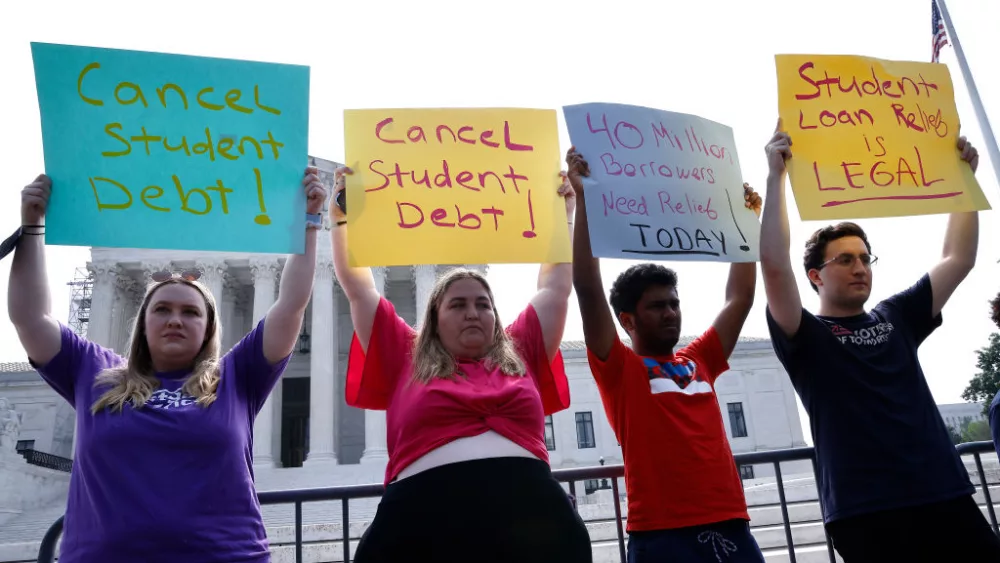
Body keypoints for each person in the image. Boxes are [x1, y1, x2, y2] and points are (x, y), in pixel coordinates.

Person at [9, 168, 327, 562]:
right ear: (142, 322)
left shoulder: (234, 377)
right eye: (162, 308)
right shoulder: (95, 372)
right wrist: (32, 227)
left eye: (191, 312)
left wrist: (311, 224)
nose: (175, 319)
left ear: (209, 327)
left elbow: (290, 306)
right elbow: (30, 318)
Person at [759, 120, 1000, 561]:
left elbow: (958, 258)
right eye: (845, 259)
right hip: (866, 511)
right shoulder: (804, 334)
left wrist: (964, 178)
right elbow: (774, 267)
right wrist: (776, 176)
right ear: (815, 276)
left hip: (943, 493)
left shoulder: (897, 315)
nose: (860, 267)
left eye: (866, 258)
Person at [331, 166, 592, 563]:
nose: (473, 313)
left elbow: (556, 287)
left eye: (482, 304)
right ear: (435, 317)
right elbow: (359, 288)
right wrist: (342, 219)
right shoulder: (407, 353)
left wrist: (565, 214)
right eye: (458, 304)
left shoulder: (520, 348)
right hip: (423, 528)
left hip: (533, 526)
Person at [566, 147, 767, 563]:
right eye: (658, 306)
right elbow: (587, 288)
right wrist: (583, 199)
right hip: (660, 535)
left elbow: (741, 298)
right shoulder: (619, 368)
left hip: (730, 523)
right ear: (628, 320)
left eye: (674, 303)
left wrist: (748, 221)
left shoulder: (701, 359)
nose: (671, 313)